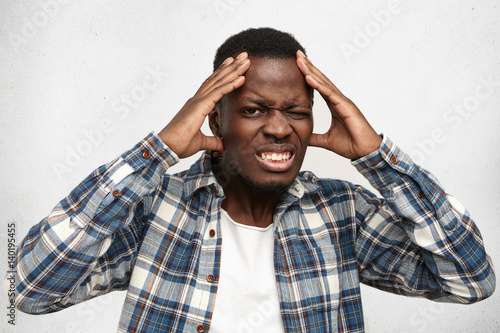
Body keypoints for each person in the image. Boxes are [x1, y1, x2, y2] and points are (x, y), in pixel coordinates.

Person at [7, 27, 495, 332]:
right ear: (215, 121)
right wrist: (156, 153)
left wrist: (378, 159)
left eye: (297, 112)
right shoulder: (155, 208)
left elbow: (471, 281)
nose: (281, 128)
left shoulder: (343, 212)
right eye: (254, 109)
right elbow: (28, 288)